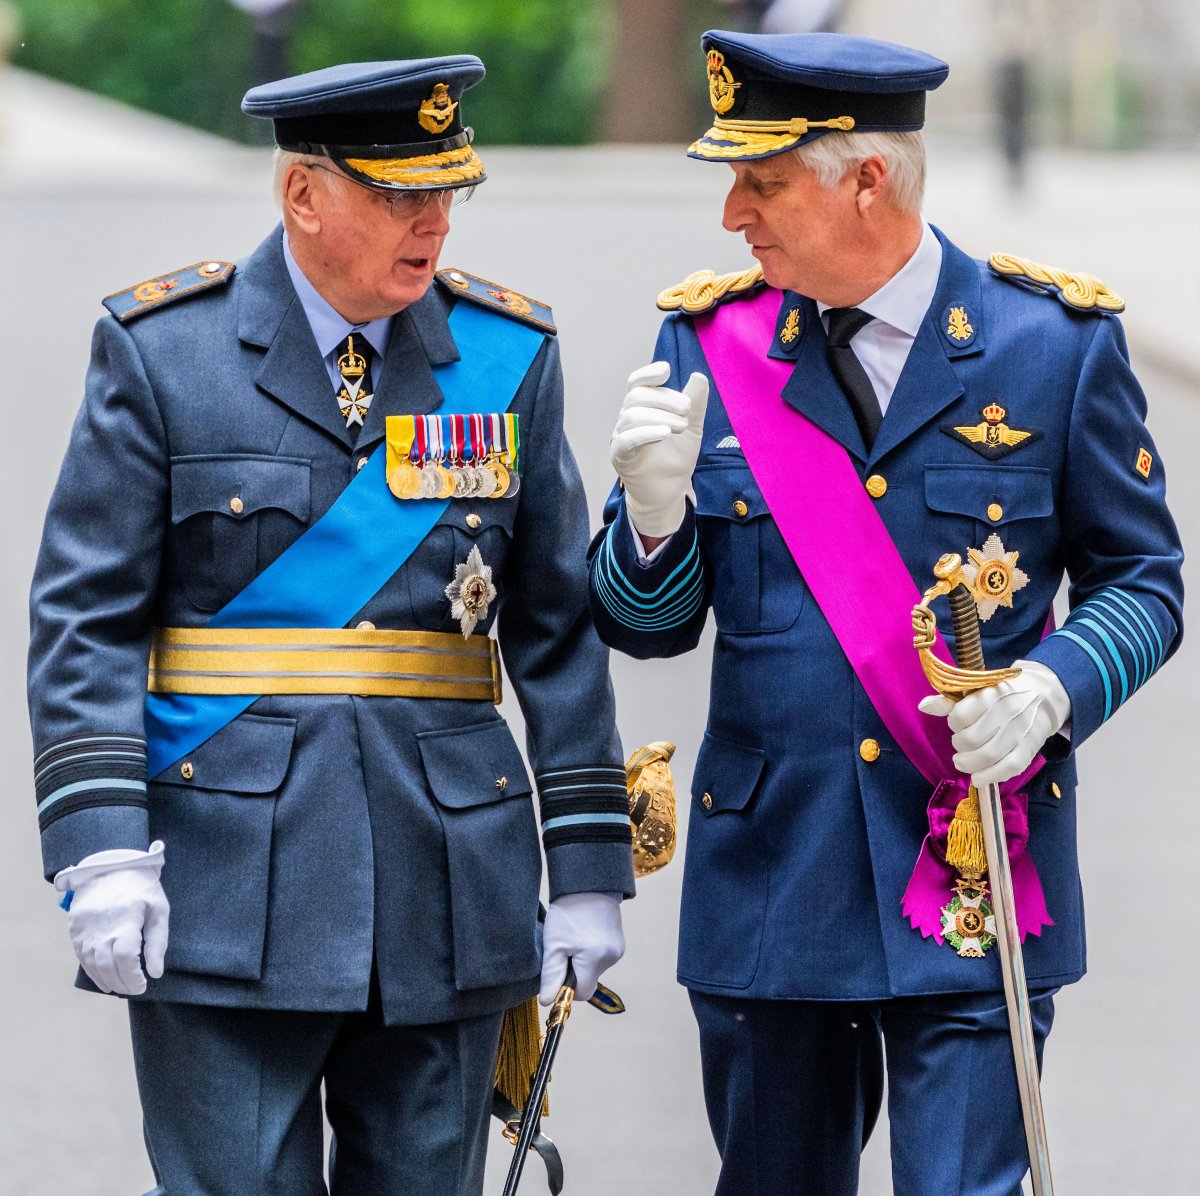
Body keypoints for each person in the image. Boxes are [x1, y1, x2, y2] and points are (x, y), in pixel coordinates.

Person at [587, 29, 1183, 1196]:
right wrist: (650, 526)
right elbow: (648, 624)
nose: (731, 218)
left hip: (974, 867)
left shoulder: (1051, 346)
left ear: (865, 179)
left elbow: (1146, 583)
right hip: (775, 871)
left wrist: (1053, 685)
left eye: (760, 183)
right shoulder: (710, 344)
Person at [28, 57, 633, 1196]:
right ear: (304, 194)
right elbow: (84, 615)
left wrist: (589, 862)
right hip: (225, 880)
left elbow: (554, 629)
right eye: (401, 197)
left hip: (447, 879)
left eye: (447, 196)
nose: (434, 225)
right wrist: (100, 844)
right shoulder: (167, 351)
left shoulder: (504, 358)